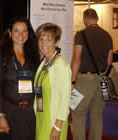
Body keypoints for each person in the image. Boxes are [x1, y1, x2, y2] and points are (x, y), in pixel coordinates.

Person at [0, 17, 40, 140]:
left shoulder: (33, 55)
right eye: (17, 30)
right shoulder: (2, 56)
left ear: (29, 33)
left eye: (24, 31)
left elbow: (38, 83)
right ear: (9, 32)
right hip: (10, 112)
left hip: (30, 111)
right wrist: (0, 117)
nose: (21, 35)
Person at [71, 8, 113, 140]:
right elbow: (109, 62)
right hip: (102, 80)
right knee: (97, 114)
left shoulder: (80, 34)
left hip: (84, 79)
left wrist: (72, 81)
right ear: (97, 18)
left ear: (85, 19)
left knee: (78, 113)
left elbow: (76, 59)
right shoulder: (107, 35)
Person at [34, 23, 71, 140]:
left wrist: (58, 126)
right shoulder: (44, 62)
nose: (43, 44)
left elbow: (65, 98)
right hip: (42, 117)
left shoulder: (61, 65)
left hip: (53, 120)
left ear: (56, 42)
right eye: (41, 39)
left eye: (48, 40)